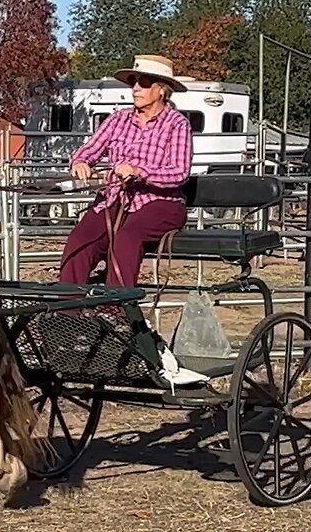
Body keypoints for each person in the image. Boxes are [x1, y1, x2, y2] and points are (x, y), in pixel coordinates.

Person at [57, 53, 209, 387]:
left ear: (161, 90)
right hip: (115, 199)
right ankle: (66, 322)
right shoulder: (118, 120)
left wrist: (140, 171)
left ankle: (116, 317)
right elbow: (86, 151)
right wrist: (81, 163)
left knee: (127, 236)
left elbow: (178, 172)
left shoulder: (177, 125)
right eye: (133, 82)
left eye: (143, 83)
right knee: (80, 239)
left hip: (161, 202)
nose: (136, 88)